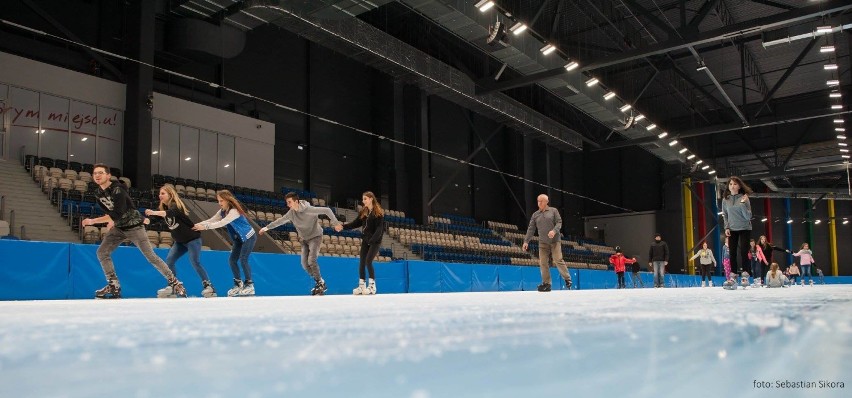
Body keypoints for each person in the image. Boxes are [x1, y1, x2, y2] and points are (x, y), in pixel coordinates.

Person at [81, 163, 186, 299]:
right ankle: (114, 285)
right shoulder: (97, 193)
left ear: (108, 175)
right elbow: (111, 212)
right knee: (102, 252)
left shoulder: (117, 189)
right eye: (95, 173)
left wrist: (92, 221)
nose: (97, 175)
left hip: (135, 227)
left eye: (100, 173)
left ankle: (175, 283)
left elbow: (118, 212)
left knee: (150, 256)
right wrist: (111, 220)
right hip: (119, 228)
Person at [260, 192, 342, 295]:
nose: (288, 205)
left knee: (311, 260)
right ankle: (320, 281)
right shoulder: (291, 213)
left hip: (315, 237)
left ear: (296, 201)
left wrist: (336, 223)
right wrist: (266, 227)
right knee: (304, 264)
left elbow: (327, 210)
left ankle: (320, 283)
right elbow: (280, 221)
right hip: (304, 240)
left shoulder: (309, 210)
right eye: (287, 202)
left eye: (289, 202)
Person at [145, 183, 216, 298]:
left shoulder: (175, 206)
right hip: (180, 242)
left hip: (193, 239)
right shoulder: (164, 209)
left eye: (163, 193)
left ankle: (209, 287)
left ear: (170, 194)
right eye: (159, 194)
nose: (160, 196)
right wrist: (144, 220)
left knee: (195, 261)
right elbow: (152, 220)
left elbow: (168, 213)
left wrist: (153, 212)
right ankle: (172, 287)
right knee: (169, 261)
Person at [193, 190, 256, 297]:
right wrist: (195, 225)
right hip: (238, 239)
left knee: (243, 260)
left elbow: (222, 223)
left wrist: (205, 227)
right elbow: (212, 220)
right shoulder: (222, 211)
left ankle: (250, 285)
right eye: (218, 201)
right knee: (232, 260)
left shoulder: (234, 211)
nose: (219, 203)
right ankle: (238, 284)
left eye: (221, 200)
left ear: (227, 200)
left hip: (249, 236)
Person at [334, 191, 385, 295]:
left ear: (371, 199)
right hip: (366, 240)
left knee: (368, 261)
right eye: (363, 199)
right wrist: (343, 226)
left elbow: (380, 229)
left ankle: (372, 286)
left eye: (365, 199)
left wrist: (373, 240)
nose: (363, 201)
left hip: (375, 241)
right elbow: (355, 223)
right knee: (362, 262)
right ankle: (362, 286)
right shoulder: (364, 212)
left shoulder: (378, 212)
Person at [522, 194, 573, 292]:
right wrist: (526, 241)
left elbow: (559, 222)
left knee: (558, 259)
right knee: (543, 262)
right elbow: (531, 229)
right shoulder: (535, 215)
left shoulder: (553, 211)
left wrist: (554, 231)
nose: (539, 203)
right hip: (543, 243)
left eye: (541, 201)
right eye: (538, 201)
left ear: (546, 202)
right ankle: (547, 283)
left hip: (555, 241)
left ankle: (567, 278)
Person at [721, 176, 753, 276]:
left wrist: (742, 204)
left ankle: (745, 273)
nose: (732, 186)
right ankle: (733, 274)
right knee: (732, 253)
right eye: (730, 184)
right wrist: (726, 227)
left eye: (735, 184)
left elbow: (748, 216)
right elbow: (725, 214)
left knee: (744, 251)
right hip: (732, 229)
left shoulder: (744, 198)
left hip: (745, 228)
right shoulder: (725, 200)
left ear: (739, 186)